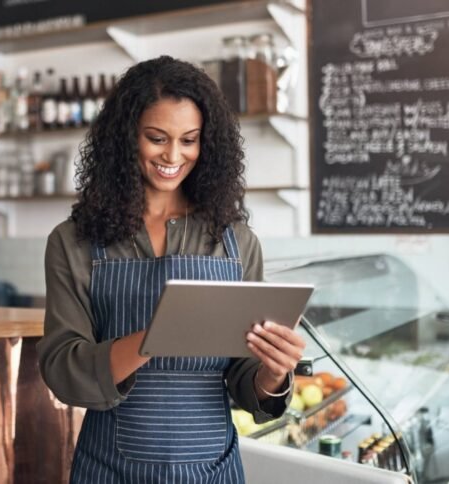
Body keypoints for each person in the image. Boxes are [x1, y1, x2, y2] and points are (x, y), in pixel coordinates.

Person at [37, 56, 305, 483]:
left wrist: (273, 374)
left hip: (212, 469)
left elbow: (241, 377)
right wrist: (156, 336)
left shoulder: (235, 241)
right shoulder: (74, 242)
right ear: (126, 139)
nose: (174, 155)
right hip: (109, 468)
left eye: (190, 140)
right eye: (157, 138)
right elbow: (62, 368)